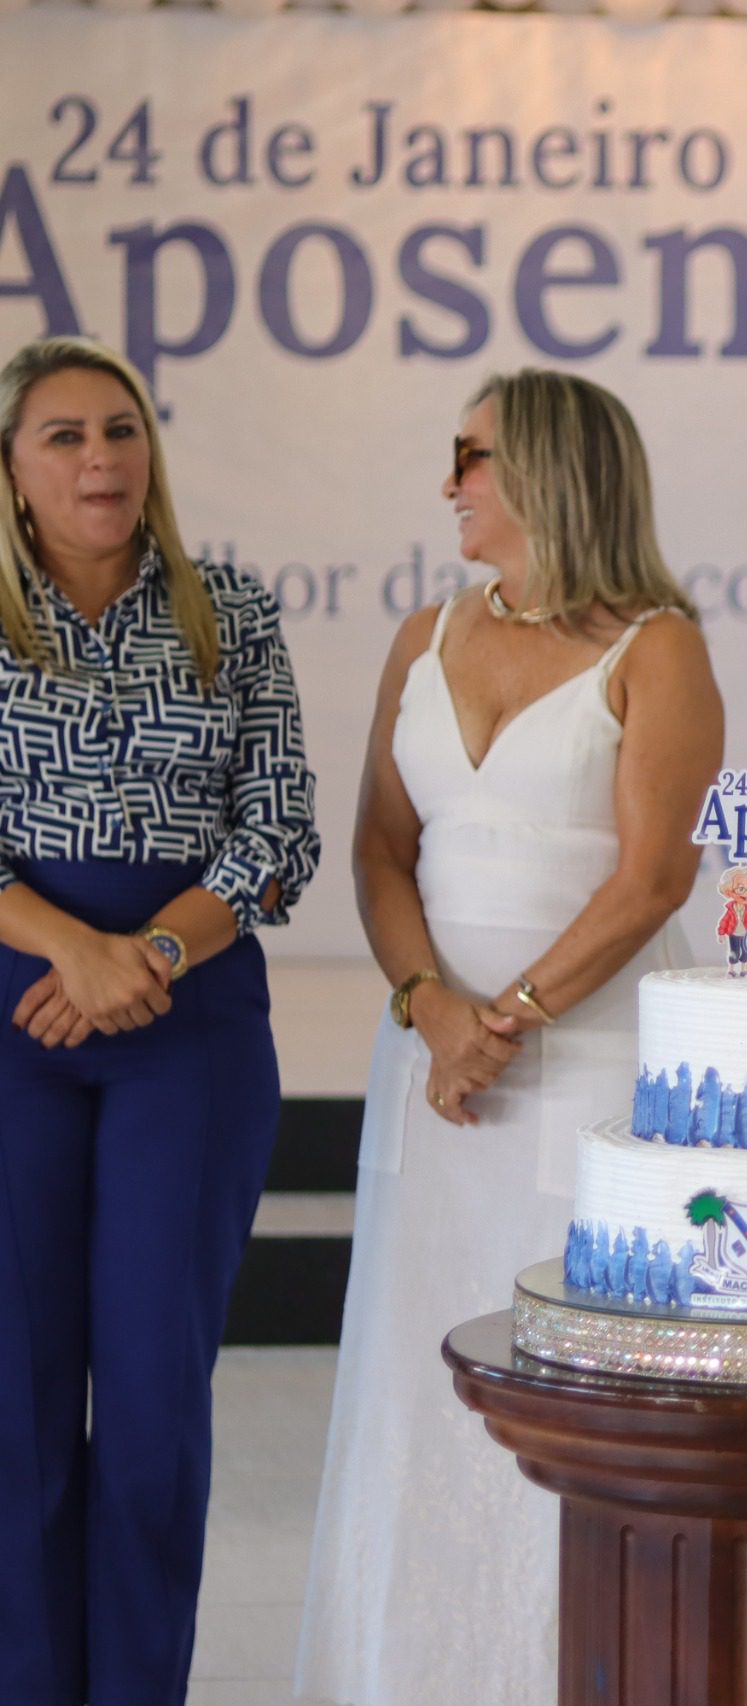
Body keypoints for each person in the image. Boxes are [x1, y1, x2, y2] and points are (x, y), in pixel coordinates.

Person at [297, 370, 723, 1705]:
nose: (451, 483)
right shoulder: (422, 633)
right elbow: (378, 844)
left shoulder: (659, 646)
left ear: (547, 470)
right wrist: (433, 1009)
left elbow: (656, 878)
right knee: (422, 1369)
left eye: (470, 455)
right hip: (435, 1067)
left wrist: (513, 1018)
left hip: (589, 1072)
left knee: (580, 1388)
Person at [0, 335, 320, 1706]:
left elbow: (282, 825)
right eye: (64, 435)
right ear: (13, 471)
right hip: (17, 1010)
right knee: (14, 1418)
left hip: (189, 1032)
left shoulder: (230, 609)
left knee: (148, 1414)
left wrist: (149, 954)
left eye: (120, 431)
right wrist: (76, 948)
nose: (100, 459)